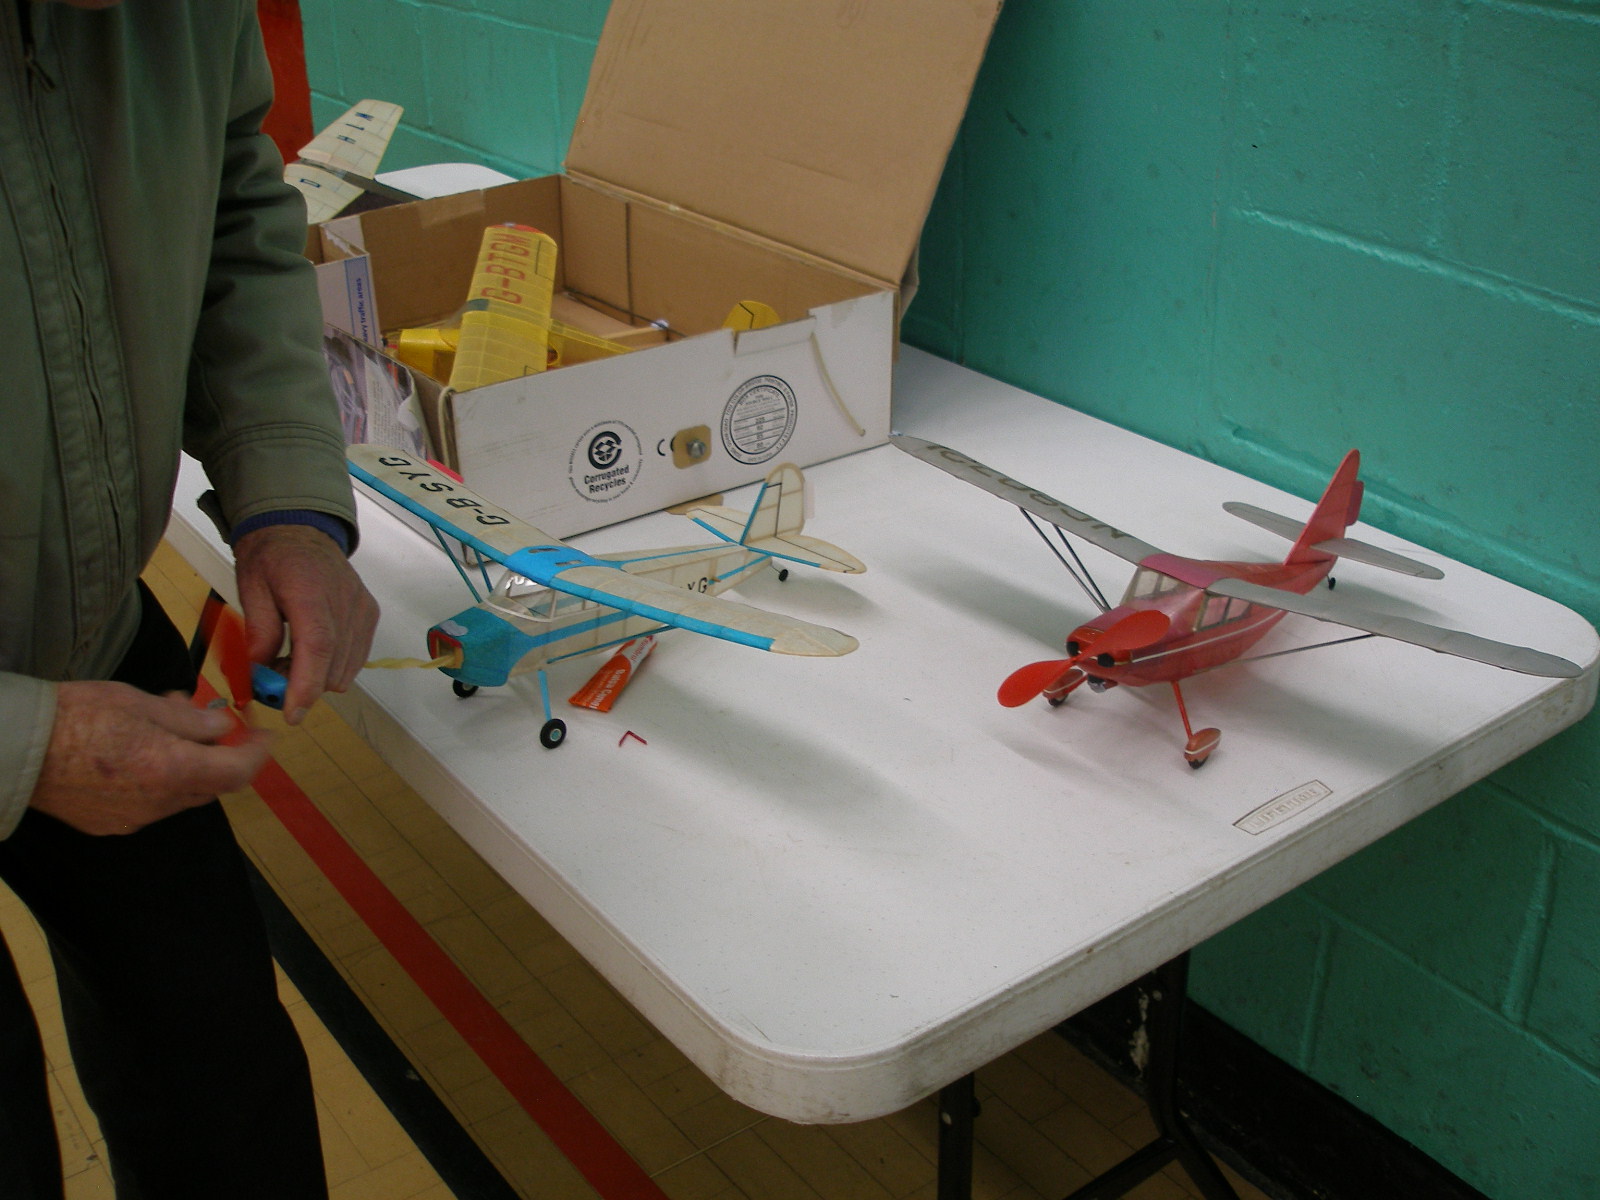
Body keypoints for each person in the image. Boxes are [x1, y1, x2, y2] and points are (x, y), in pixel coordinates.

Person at [1, 0, 380, 1196]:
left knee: (224, 1085)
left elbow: (233, 215)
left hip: (96, 635)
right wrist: (22, 744)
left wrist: (287, 498)